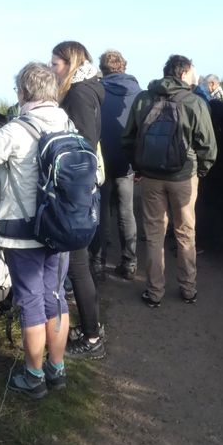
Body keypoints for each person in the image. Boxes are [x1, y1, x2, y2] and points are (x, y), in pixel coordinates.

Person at [0, 63, 73, 397]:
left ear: (23, 92)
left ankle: (33, 376)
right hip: (61, 228)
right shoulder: (69, 124)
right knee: (54, 295)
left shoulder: (16, 129)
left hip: (21, 229)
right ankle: (57, 369)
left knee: (30, 300)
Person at [122, 54, 217, 307]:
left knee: (154, 235)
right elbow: (208, 146)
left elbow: (128, 138)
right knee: (185, 233)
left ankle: (154, 292)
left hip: (151, 177)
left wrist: (139, 167)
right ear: (184, 74)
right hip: (184, 177)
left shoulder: (143, 99)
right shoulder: (194, 101)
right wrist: (200, 171)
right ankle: (188, 289)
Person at [49, 40, 107, 358]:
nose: (51, 68)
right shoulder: (89, 89)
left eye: (55, 63)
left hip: (76, 190)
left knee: (78, 266)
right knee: (78, 265)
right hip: (84, 187)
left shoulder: (79, 94)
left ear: (70, 63)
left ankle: (92, 337)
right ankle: (92, 327)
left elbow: (82, 144)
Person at [90, 49, 141, 280]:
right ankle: (129, 263)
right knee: (126, 211)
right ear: (124, 66)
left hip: (101, 159)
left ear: (103, 68)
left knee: (101, 212)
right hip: (127, 160)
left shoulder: (97, 90)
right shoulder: (138, 92)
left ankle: (98, 264)